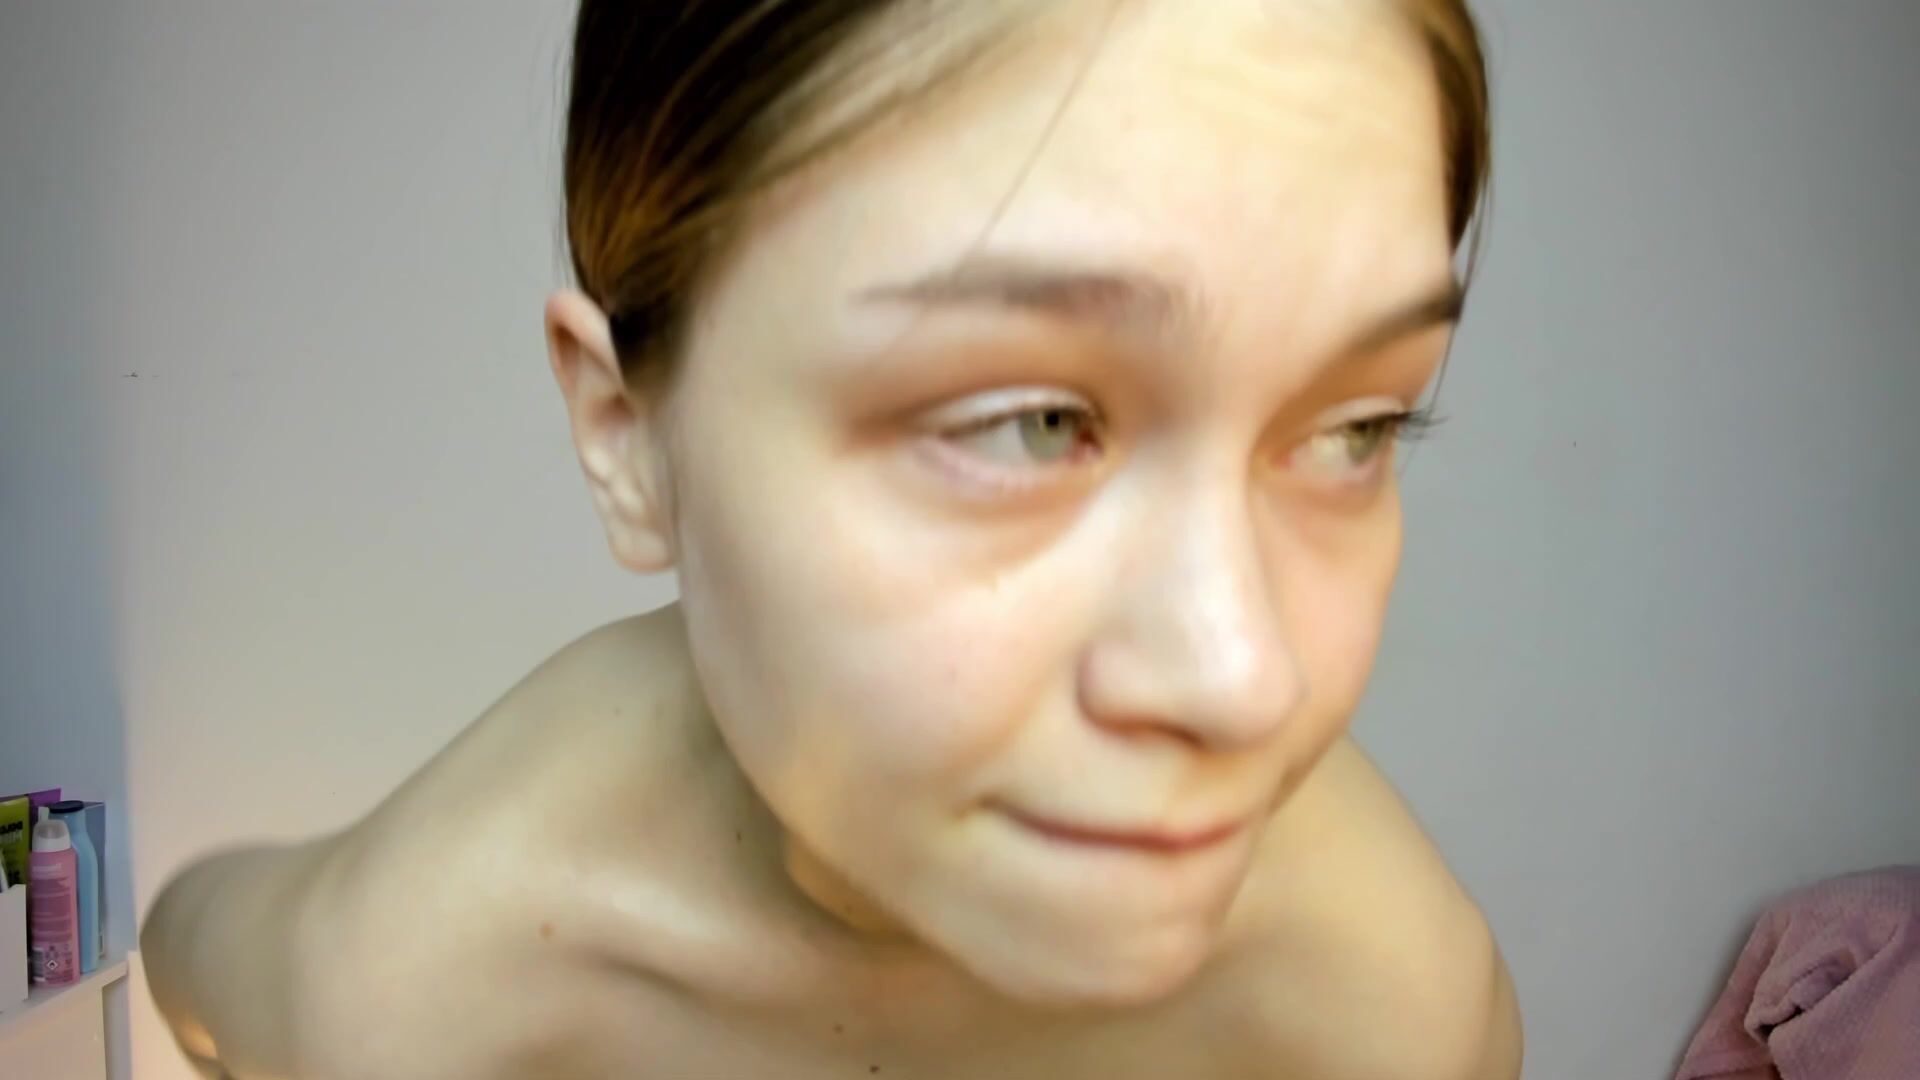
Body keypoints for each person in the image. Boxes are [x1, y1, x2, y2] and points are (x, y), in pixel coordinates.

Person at [142, 1, 1522, 1077]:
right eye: (1030, 424)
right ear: (629, 438)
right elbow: (186, 950)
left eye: (1354, 429)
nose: (1246, 680)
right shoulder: (419, 983)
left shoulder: (1394, 1017)